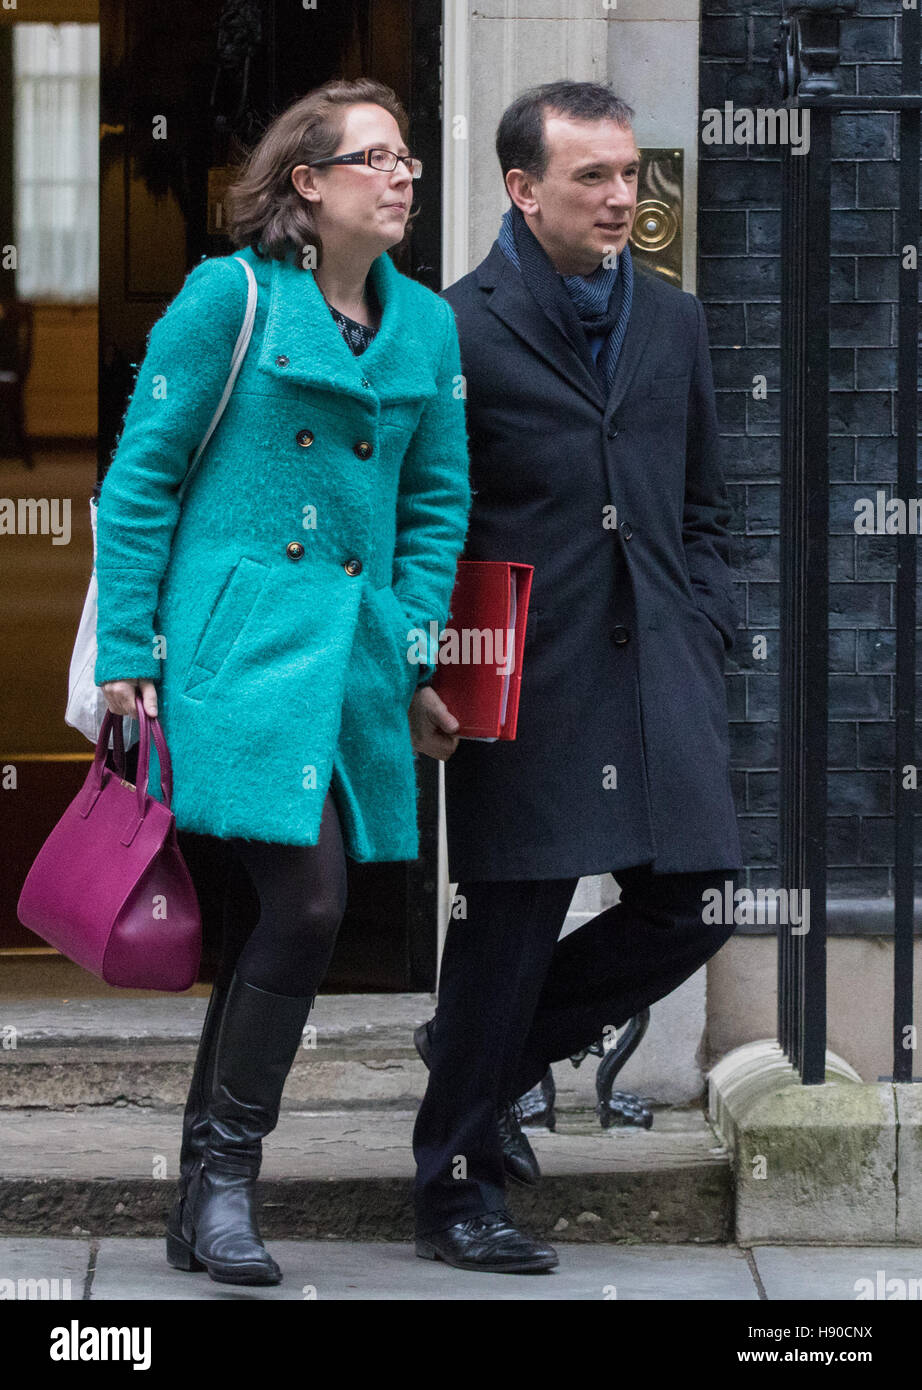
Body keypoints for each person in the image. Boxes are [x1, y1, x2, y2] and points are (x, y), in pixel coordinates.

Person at [94, 77, 471, 1287]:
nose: (402, 175)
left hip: (351, 655)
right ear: (306, 186)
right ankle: (221, 1183)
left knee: (292, 909)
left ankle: (206, 1191)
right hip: (234, 650)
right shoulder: (231, 297)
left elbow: (433, 504)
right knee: (304, 903)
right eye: (375, 158)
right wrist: (126, 660)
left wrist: (412, 648)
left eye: (408, 157)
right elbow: (143, 478)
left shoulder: (424, 330)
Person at [408, 80, 743, 1274]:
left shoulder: (675, 320)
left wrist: (708, 616)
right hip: (526, 676)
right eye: (592, 177)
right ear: (520, 188)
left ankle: (470, 1050)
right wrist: (422, 668)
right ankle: (456, 1191)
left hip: (660, 667)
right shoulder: (451, 327)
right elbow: (423, 521)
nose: (622, 198)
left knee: (697, 899)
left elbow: (704, 502)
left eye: (629, 173)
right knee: (507, 929)